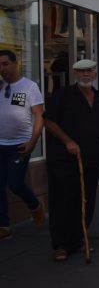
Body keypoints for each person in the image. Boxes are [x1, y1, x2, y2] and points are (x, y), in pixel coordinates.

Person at [43, 59, 99, 261]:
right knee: (63, 200)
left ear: (95, 74)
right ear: (75, 75)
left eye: (89, 71)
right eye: (81, 72)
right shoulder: (63, 95)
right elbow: (48, 120)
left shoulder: (98, 97)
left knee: (86, 201)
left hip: (92, 158)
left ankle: (79, 239)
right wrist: (68, 141)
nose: (85, 75)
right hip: (65, 159)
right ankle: (61, 244)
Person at [0, 49, 45, 240]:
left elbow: (39, 116)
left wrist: (32, 142)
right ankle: (3, 225)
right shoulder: (0, 87)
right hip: (0, 144)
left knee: (15, 184)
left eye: (5, 64)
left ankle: (35, 206)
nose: (2, 68)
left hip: (19, 145)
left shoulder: (29, 87)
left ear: (15, 63)